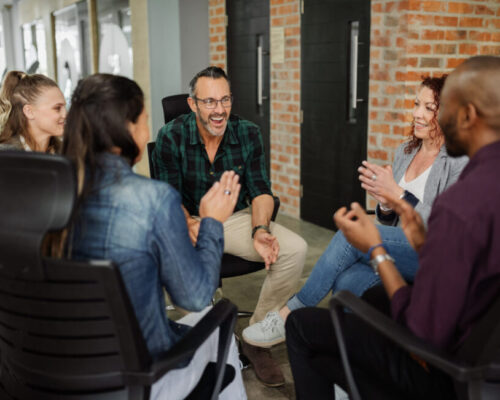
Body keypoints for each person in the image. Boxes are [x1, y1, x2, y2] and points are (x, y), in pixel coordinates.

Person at [286, 55, 500, 400]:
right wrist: (419, 239)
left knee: (302, 328)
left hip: (441, 375)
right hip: (484, 361)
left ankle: (292, 314)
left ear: (467, 115)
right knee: (353, 289)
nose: (429, 116)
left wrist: (378, 249)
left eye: (440, 108)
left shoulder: (461, 204)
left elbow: (421, 330)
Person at [243, 75, 468, 348]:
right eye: (416, 104)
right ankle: (351, 366)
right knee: (346, 282)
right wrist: (385, 204)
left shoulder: (458, 161)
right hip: (397, 249)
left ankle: (290, 313)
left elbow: (445, 226)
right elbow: (390, 221)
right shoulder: (405, 152)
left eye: (429, 108)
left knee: (351, 234)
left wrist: (397, 195)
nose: (417, 113)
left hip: (432, 255)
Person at [62, 73, 246, 399]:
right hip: (141, 376)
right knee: (222, 330)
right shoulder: (152, 199)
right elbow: (193, 296)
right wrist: (211, 223)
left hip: (61, 371)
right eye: (144, 120)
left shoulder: (50, 191)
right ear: (127, 129)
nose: (148, 130)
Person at [151, 66, 307, 386]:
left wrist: (261, 229)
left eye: (224, 100)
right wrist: (189, 224)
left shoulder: (248, 132)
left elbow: (261, 190)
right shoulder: (171, 136)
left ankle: (256, 338)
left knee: (295, 249)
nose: (219, 110)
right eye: (209, 102)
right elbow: (167, 197)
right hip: (189, 220)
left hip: (234, 219)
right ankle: (208, 340)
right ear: (192, 104)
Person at [0, 70, 66, 152]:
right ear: (29, 112)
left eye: (64, 107)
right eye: (57, 108)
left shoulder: (67, 153)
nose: (65, 114)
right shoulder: (5, 157)